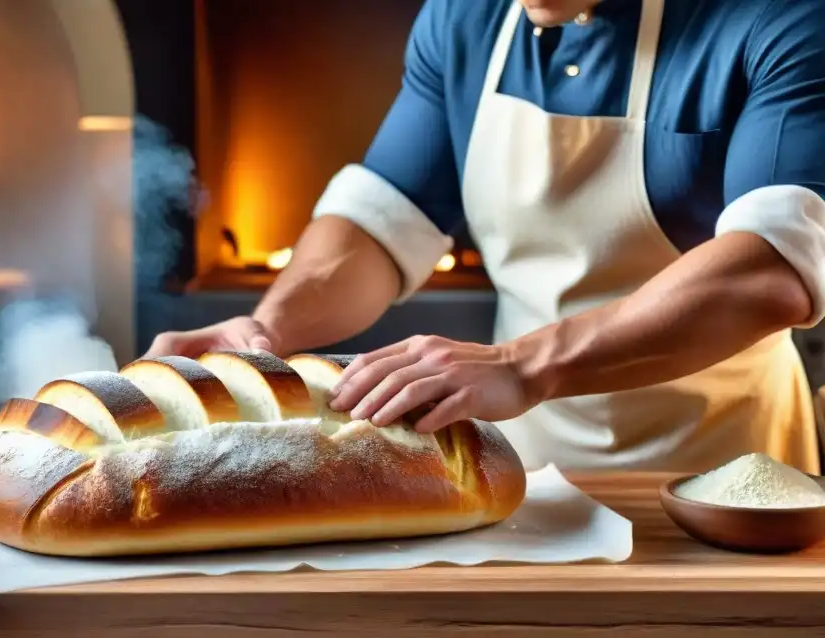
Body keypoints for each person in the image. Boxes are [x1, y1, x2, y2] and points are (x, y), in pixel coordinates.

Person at [146, 0, 825, 474]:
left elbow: (768, 273)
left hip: (724, 468)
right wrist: (268, 328)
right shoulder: (466, 17)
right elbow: (384, 222)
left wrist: (521, 366)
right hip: (524, 466)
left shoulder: (779, 16)